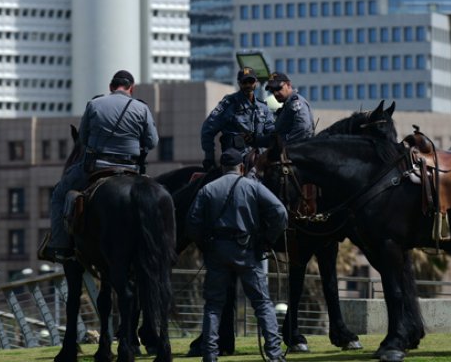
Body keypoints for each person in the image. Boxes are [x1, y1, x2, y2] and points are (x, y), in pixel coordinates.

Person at [38, 70, 159, 263]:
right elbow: (152, 142)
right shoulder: (141, 108)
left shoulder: (94, 104)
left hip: (96, 167)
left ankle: (59, 246)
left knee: (59, 194)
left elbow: (84, 139)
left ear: (111, 87)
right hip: (131, 169)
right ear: (132, 88)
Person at [186, 148, 288, 362]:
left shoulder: (207, 189)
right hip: (247, 250)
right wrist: (268, 239)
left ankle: (210, 355)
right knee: (262, 303)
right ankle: (274, 354)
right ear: (241, 167)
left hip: (217, 251)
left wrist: (205, 245)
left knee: (213, 305)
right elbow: (280, 212)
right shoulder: (252, 186)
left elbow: (192, 223)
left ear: (223, 168)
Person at [200, 67, 275, 171]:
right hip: (234, 161)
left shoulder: (263, 108)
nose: (248, 85)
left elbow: (272, 134)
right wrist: (209, 158)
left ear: (256, 83)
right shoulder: (228, 104)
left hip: (258, 161)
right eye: (244, 82)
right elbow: (207, 129)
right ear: (239, 83)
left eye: (251, 81)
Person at [263, 72, 315, 145]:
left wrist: (283, 143)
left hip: (297, 152)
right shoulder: (287, 105)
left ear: (288, 85)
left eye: (278, 88)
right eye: (272, 91)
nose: (275, 93)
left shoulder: (296, 103)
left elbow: (303, 128)